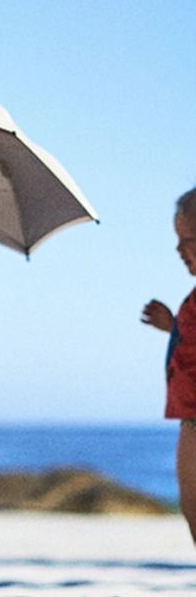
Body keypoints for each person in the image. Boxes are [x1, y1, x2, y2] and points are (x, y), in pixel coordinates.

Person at [141, 187, 196, 542]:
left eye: (188, 240)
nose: (179, 251)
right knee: (192, 508)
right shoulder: (192, 301)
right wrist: (173, 325)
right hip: (189, 419)